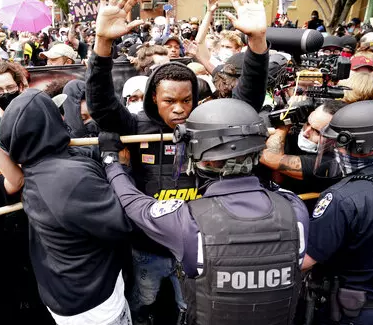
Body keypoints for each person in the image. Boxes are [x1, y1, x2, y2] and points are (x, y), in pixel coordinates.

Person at [86, 0, 270, 323]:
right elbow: (100, 105)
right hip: (149, 245)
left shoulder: (207, 123)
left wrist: (257, 44)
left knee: (190, 308)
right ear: (153, 98)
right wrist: (102, 45)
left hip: (198, 244)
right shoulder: (134, 125)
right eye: (169, 101)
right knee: (144, 302)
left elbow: (246, 103)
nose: (180, 109)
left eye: (187, 100)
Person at [100, 98, 309, 325]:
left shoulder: (188, 220)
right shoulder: (294, 208)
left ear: (205, 161)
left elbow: (133, 203)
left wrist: (111, 161)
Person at [0, 89, 134, 325]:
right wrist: (117, 162)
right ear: (49, 123)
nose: (63, 117)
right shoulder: (70, 179)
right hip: (95, 303)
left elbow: (76, 156)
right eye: (56, 114)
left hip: (63, 290)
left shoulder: (34, 165)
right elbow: (124, 222)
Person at [303, 100, 373, 324]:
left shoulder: (340, 198)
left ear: (357, 146)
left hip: (355, 311)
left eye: (338, 144)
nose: (336, 149)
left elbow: (305, 261)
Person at [260, 100, 346, 193]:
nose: (306, 133)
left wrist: (284, 124)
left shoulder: (333, 163)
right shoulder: (297, 135)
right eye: (307, 123)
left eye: (317, 132)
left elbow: (269, 157)